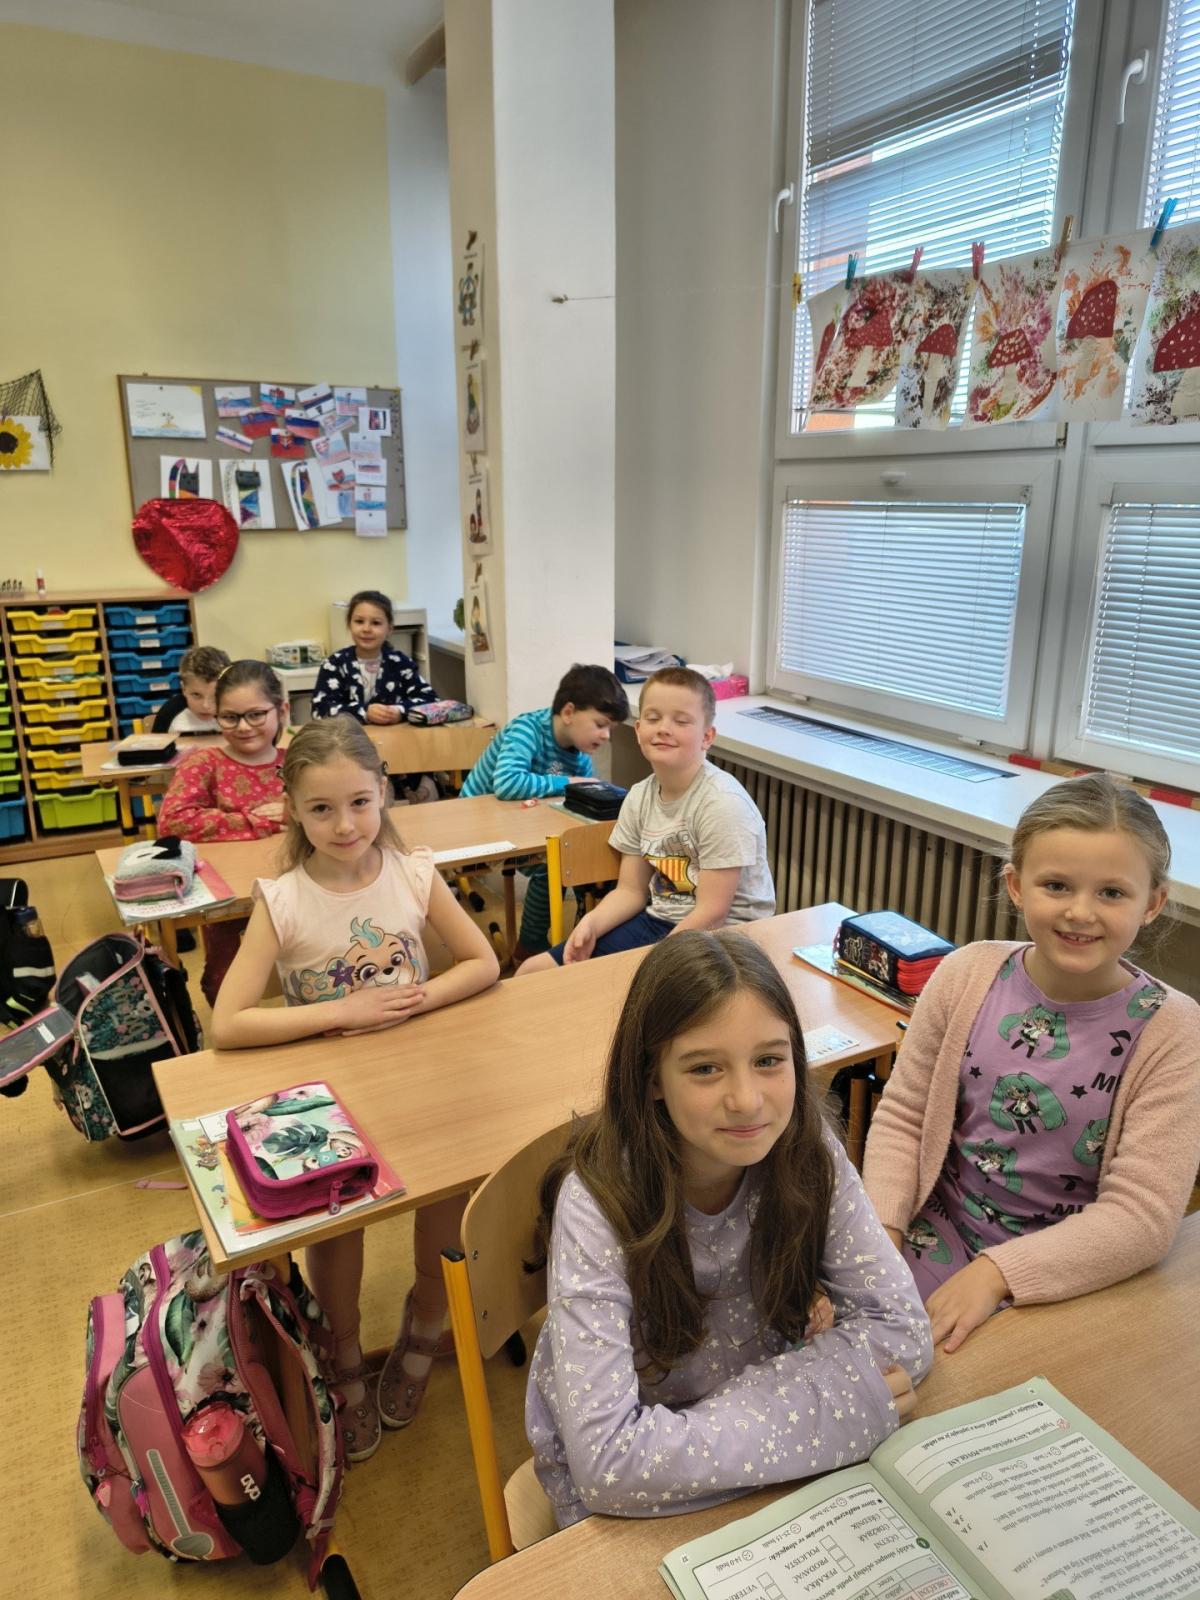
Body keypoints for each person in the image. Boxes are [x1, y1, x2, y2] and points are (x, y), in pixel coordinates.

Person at [526, 930, 932, 1527]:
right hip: (631, 1507)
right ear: (652, 1078)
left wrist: (755, 1427)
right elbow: (608, 1464)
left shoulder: (807, 1149)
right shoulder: (596, 1204)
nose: (746, 1100)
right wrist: (827, 1409)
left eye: (768, 1060)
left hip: (736, 1464)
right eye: (705, 1069)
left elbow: (902, 1331)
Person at [212, 715, 499, 1462]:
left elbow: (483, 963)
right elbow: (227, 1023)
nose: (345, 825)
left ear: (383, 793)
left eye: (360, 803)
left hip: (421, 1075)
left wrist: (416, 1001)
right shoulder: (283, 899)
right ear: (293, 811)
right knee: (338, 1224)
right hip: (328, 1097)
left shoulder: (413, 872)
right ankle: (342, 1352)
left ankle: (425, 1324)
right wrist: (344, 1011)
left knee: (448, 1199)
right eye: (322, 808)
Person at [864, 773, 1200, 1357]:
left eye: (1111, 893)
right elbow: (905, 1117)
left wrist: (997, 1274)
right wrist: (880, 1233)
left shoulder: (1173, 1031)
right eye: (1056, 885)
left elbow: (1141, 1217)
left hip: (1071, 1273)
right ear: (1017, 887)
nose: (1080, 912)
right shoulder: (966, 973)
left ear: (1152, 904)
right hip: (936, 1231)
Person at [519, 667, 773, 974]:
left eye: (681, 721)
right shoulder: (639, 796)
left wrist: (655, 962)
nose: (664, 728)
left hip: (727, 940)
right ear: (638, 730)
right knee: (533, 970)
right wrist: (591, 923)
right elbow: (631, 891)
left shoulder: (722, 803)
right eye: (653, 718)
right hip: (659, 920)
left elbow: (712, 912)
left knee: (622, 990)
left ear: (707, 737)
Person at [460, 664, 629, 964]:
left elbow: (577, 797)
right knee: (552, 867)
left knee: (584, 857)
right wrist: (570, 782)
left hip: (521, 823)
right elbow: (507, 783)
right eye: (600, 724)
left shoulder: (580, 752)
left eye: (610, 729)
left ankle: (586, 934)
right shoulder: (527, 729)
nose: (605, 736)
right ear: (568, 712)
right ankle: (530, 947)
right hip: (476, 828)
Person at [157, 660, 288, 1006]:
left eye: (256, 715)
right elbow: (173, 821)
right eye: (230, 717)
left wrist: (299, 813)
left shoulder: (299, 762)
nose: (243, 726)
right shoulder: (204, 763)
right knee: (227, 984)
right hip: (229, 904)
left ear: (282, 710)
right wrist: (257, 821)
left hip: (295, 888)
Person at [311, 589, 439, 803]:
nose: (366, 629)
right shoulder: (335, 664)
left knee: (428, 791)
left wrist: (399, 711)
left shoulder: (400, 663)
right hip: (350, 756)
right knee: (376, 798)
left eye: (376, 623)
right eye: (359, 621)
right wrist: (363, 713)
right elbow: (320, 710)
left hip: (400, 754)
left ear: (390, 628)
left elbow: (431, 701)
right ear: (349, 625)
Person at [151, 645, 232, 735]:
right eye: (196, 695)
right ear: (183, 688)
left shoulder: (234, 711)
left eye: (216, 696)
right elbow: (156, 743)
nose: (206, 706)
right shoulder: (169, 712)